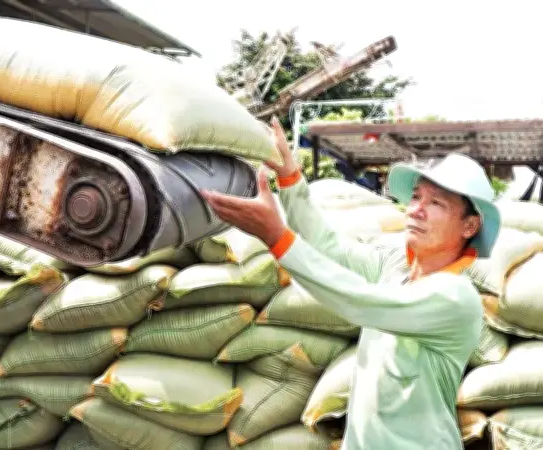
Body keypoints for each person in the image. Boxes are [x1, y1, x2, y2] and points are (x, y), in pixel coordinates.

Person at [201, 117, 502, 449]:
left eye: (436, 203)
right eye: (416, 197)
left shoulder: (455, 297)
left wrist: (277, 237)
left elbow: (360, 301)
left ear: (470, 226)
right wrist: (289, 177)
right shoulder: (395, 267)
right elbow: (328, 246)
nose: (416, 210)